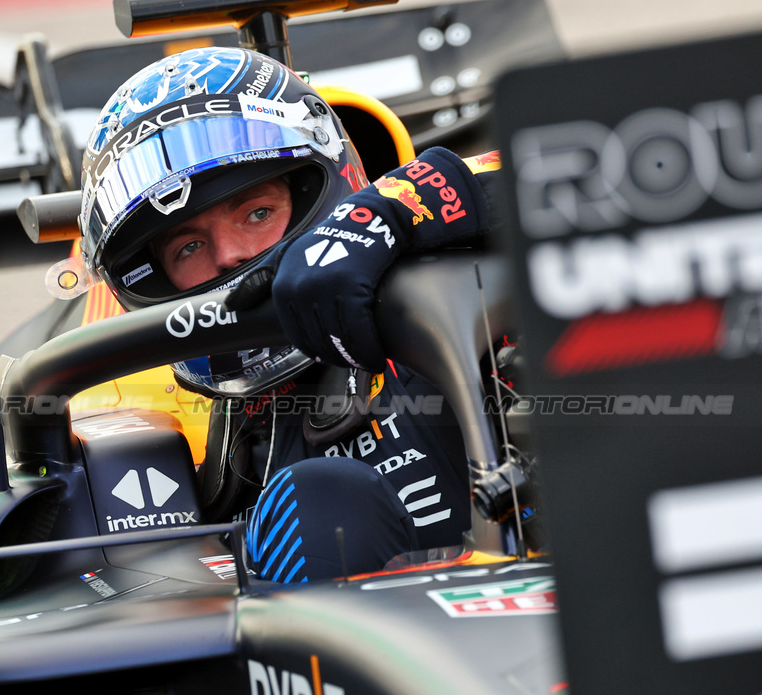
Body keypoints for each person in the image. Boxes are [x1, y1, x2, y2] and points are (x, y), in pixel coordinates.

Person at [76, 46, 499, 584]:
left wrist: (393, 210)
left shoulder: (450, 277)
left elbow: (571, 173)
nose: (228, 255)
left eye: (257, 212)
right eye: (187, 247)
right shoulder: (140, 397)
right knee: (321, 501)